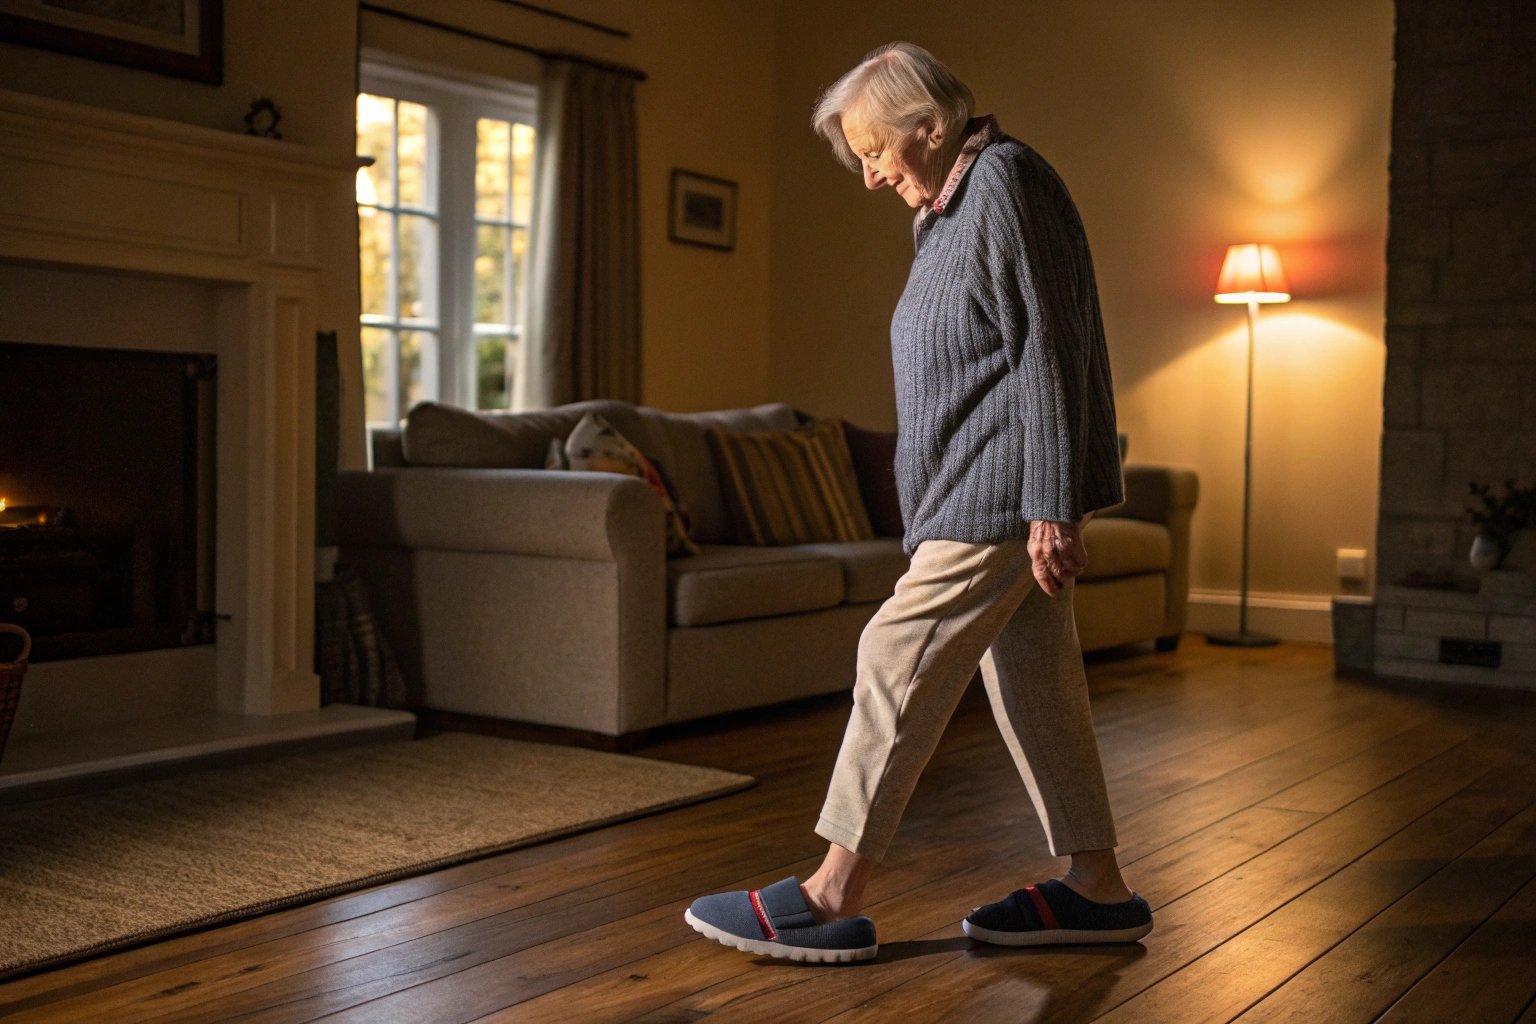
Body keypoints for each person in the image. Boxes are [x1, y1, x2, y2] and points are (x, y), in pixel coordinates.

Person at [684, 42, 1152, 964]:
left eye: (874, 150)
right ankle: (1098, 887)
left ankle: (830, 892)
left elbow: (1048, 346)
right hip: (979, 490)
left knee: (893, 654)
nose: (868, 176)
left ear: (931, 127)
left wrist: (1051, 504)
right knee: (1035, 683)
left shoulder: (1006, 182)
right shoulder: (945, 213)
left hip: (1001, 490)